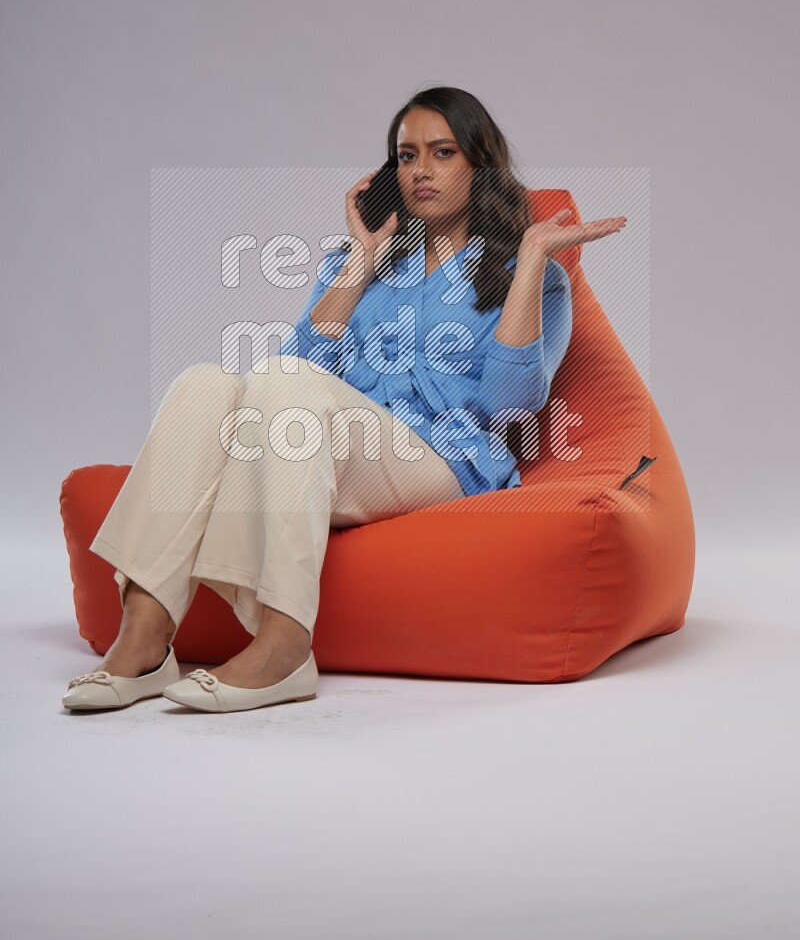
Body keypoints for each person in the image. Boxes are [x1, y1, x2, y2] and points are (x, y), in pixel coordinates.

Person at [62, 85, 627, 714]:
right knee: (205, 384)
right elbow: (296, 372)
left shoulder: (534, 276)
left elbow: (510, 407)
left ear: (480, 164)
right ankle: (144, 635)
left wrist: (527, 263)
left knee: (281, 384)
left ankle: (284, 642)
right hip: (333, 446)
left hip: (446, 459)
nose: (421, 171)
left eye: (442, 153)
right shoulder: (362, 263)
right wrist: (360, 259)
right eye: (407, 156)